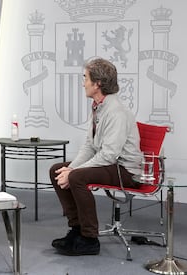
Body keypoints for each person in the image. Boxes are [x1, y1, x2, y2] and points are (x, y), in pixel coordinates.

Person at [49, 58, 142, 256]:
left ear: (97, 83)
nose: (83, 83)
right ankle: (77, 229)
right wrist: (70, 168)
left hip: (125, 171)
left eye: (85, 78)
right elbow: (90, 145)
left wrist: (74, 172)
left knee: (76, 177)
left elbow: (109, 155)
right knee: (57, 170)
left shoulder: (116, 111)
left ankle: (90, 239)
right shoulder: (98, 106)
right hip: (110, 164)